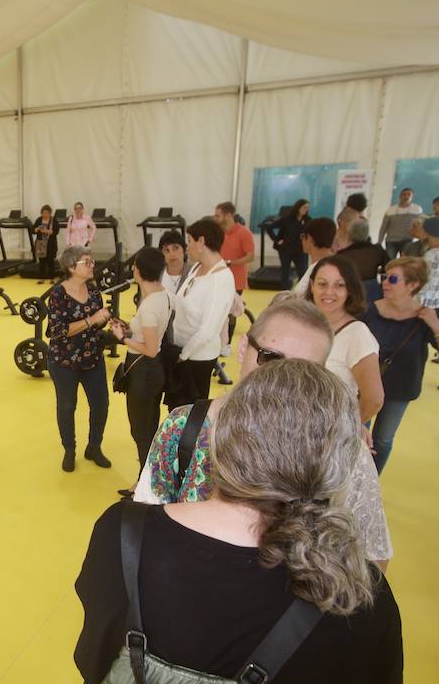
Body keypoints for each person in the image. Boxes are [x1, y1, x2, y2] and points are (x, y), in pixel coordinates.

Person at [73, 359, 402, 684]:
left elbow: (96, 667)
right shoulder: (355, 602)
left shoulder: (122, 533)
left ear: (221, 438)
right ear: (340, 464)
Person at [133, 295, 394, 567]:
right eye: (271, 358)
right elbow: (146, 525)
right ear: (244, 347)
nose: (280, 381)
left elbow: (372, 557)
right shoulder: (183, 426)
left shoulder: (343, 449)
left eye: (302, 370)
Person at [364, 257, 439, 473]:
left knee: (382, 440)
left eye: (392, 279)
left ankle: (372, 483)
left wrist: (435, 324)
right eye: (384, 277)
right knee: (357, 436)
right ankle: (352, 485)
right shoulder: (369, 312)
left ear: (413, 285)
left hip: (400, 389)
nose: (385, 283)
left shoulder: (424, 318)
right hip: (366, 386)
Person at [44, 246, 112, 471]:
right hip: (64, 362)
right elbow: (57, 330)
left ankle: (94, 447)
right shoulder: (57, 294)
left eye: (92, 260)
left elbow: (98, 321)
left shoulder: (93, 292)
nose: (92, 264)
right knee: (66, 406)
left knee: (101, 404)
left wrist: (107, 321)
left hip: (92, 358)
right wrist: (92, 319)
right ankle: (69, 449)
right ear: (72, 267)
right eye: (87, 262)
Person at [110, 248, 171, 466]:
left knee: (141, 430)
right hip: (151, 370)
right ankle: (147, 477)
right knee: (148, 426)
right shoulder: (161, 295)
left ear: (138, 270)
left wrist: (121, 338)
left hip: (144, 371)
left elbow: (151, 348)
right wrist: (129, 329)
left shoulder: (149, 306)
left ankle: (143, 483)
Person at [165, 217, 235, 409]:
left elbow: (208, 330)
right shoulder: (196, 268)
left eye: (189, 241)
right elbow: (180, 300)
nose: (187, 247)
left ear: (201, 242)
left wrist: (182, 356)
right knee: (175, 412)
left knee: (189, 414)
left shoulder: (221, 279)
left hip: (196, 357)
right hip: (180, 349)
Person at [308, 257, 384, 425]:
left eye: (339, 285)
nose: (329, 292)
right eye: (322, 284)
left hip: (330, 435)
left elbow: (374, 399)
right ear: (312, 286)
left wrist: (348, 429)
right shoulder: (303, 324)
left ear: (349, 289)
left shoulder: (357, 334)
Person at [214, 201, 255, 342]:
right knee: (219, 311)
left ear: (229, 215)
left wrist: (230, 262)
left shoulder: (244, 233)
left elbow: (250, 256)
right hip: (217, 278)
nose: (215, 218)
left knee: (230, 312)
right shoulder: (219, 233)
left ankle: (228, 343)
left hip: (236, 280)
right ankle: (219, 340)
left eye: (218, 216)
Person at [337, 218, 391, 301]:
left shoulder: (342, 254)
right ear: (367, 233)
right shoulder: (377, 250)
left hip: (350, 291)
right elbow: (389, 267)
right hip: (373, 291)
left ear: (349, 234)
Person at [291, 217, 338, 296]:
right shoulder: (335, 264)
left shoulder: (321, 269)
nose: (301, 240)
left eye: (302, 236)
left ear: (309, 238)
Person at [273, 199, 310, 290]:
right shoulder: (287, 219)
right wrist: (277, 240)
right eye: (304, 207)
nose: (306, 209)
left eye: (307, 208)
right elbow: (270, 227)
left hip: (300, 251)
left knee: (303, 272)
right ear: (298, 207)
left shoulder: (308, 220)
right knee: (285, 272)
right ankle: (285, 293)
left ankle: (301, 292)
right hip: (286, 250)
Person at [378, 187, 424, 257]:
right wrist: (379, 242)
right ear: (400, 196)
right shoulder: (390, 210)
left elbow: (420, 226)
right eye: (404, 194)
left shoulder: (417, 210)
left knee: (405, 262)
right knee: (389, 262)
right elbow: (383, 227)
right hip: (391, 240)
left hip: (407, 240)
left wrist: (421, 239)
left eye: (409, 194)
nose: (406, 196)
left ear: (412, 197)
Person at [32, 205, 57, 275]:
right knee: (41, 261)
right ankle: (42, 277)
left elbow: (56, 231)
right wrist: (36, 229)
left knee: (50, 261)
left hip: (50, 244)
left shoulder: (53, 220)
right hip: (40, 243)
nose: (45, 215)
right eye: (43, 213)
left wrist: (47, 231)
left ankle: (51, 278)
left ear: (50, 213)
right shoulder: (39, 219)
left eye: (46, 213)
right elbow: (33, 230)